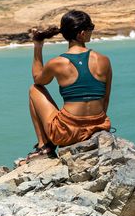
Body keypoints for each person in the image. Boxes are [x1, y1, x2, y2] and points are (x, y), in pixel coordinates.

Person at [20, 9, 112, 164]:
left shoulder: (57, 63)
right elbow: (105, 100)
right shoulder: (104, 60)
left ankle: (44, 147)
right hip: (99, 127)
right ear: (82, 34)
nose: (92, 31)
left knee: (34, 89)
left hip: (66, 133)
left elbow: (38, 79)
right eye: (91, 28)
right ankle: (46, 146)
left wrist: (38, 46)